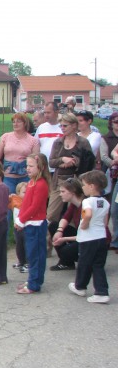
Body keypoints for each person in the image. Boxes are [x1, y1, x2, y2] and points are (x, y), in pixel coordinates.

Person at [68, 170, 110, 304]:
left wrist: (85, 224)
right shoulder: (105, 202)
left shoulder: (87, 202)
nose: (83, 187)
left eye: (84, 185)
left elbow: (87, 215)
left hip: (88, 238)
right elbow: (105, 221)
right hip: (101, 237)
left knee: (84, 263)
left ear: (92, 186)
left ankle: (80, 286)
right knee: (98, 265)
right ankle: (102, 291)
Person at [47, 112, 93, 224]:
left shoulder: (83, 142)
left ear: (74, 125)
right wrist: (63, 159)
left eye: (65, 125)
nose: (62, 128)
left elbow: (89, 162)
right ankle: (50, 240)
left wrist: (75, 162)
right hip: (59, 181)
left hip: (76, 182)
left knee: (74, 216)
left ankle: (72, 240)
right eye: (61, 126)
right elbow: (51, 162)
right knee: (51, 215)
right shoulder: (58, 142)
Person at [16, 154, 50, 294]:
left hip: (36, 224)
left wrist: (21, 219)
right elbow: (26, 203)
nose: (27, 168)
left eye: (31, 166)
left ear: (40, 167)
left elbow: (34, 207)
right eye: (27, 166)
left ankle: (34, 284)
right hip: (30, 223)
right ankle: (33, 279)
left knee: (35, 255)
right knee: (33, 254)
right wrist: (20, 217)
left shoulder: (41, 184)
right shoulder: (31, 182)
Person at [0, 112, 39, 195]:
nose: (15, 124)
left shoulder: (33, 140)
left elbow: (36, 160)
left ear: (25, 123)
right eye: (13, 122)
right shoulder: (5, 137)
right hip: (8, 177)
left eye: (18, 121)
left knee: (24, 201)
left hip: (25, 177)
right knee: (8, 201)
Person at [48, 178, 84, 271]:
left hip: (88, 239)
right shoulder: (73, 204)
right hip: (80, 235)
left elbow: (85, 235)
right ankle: (66, 263)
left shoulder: (85, 206)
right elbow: (65, 218)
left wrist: (64, 239)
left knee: (65, 252)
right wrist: (59, 231)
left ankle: (87, 261)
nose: (60, 194)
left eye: (63, 191)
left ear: (73, 192)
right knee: (53, 225)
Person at [102, 113, 118, 249]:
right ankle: (115, 240)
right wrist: (114, 161)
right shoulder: (106, 138)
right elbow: (112, 153)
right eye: (115, 122)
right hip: (114, 176)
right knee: (114, 209)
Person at [34, 101, 63, 174]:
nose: (46, 115)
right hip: (43, 168)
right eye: (45, 113)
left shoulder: (63, 127)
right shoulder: (41, 127)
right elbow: (36, 145)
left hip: (58, 168)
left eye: (49, 112)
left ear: (56, 112)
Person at [9, 182, 28, 273]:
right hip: (17, 227)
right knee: (19, 245)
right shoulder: (15, 200)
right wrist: (11, 196)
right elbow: (8, 202)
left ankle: (28, 263)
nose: (26, 194)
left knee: (27, 245)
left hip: (26, 227)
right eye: (24, 192)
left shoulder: (30, 202)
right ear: (18, 193)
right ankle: (21, 261)